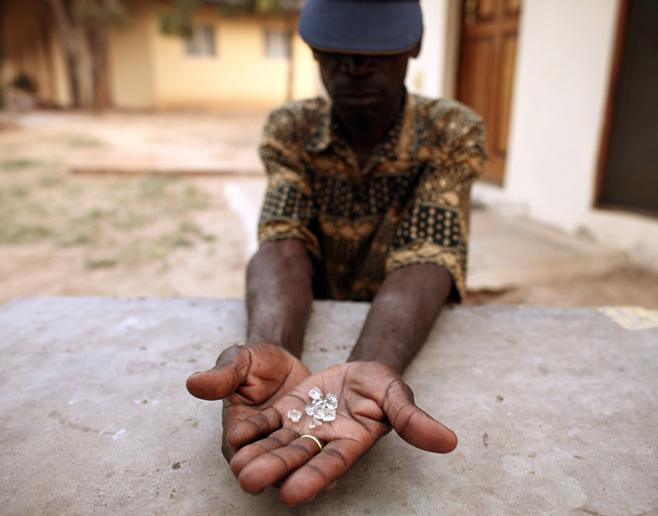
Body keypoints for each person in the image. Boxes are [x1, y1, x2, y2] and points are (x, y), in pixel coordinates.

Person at [186, 0, 486, 506]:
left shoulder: (452, 130)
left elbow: (429, 252)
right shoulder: (291, 129)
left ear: (413, 46)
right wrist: (270, 346)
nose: (355, 68)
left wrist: (371, 367)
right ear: (314, 49)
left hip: (406, 310)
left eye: (375, 52)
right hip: (318, 298)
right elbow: (282, 240)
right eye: (337, 53)